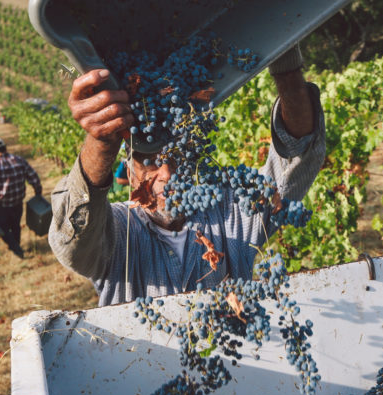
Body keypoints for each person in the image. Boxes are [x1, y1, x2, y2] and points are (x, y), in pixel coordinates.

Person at [49, 45, 325, 306]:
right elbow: (71, 242)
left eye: (178, 158)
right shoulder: (117, 232)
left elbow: (296, 158)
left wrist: (285, 62)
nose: (167, 174)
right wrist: (101, 142)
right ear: (131, 176)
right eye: (150, 162)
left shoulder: (232, 212)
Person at [0, 137, 42, 259]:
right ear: (5, 148)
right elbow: (33, 177)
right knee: (15, 225)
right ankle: (17, 247)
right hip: (17, 203)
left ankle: (16, 249)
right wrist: (38, 191)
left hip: (1, 206)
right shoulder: (18, 160)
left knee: (2, 229)